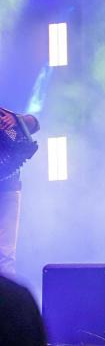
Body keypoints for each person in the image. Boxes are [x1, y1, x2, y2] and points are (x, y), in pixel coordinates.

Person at [0, 108, 39, 278]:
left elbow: (34, 123)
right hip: (8, 188)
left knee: (5, 255)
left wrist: (16, 120)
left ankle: (7, 294)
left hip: (8, 189)